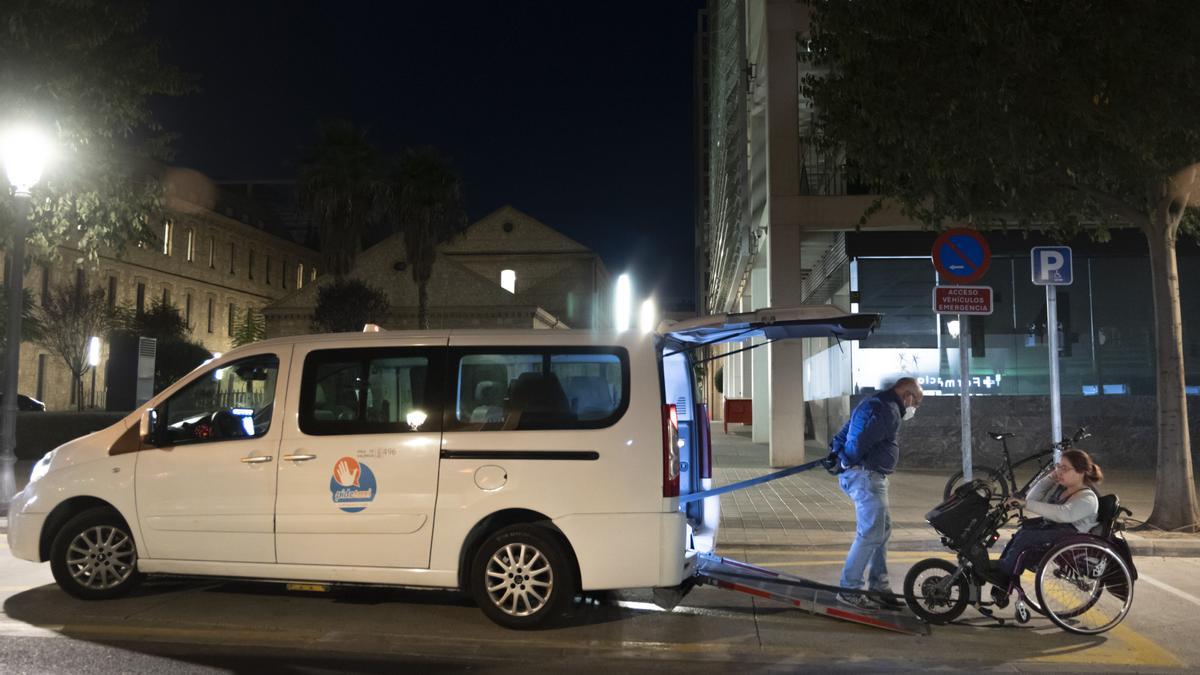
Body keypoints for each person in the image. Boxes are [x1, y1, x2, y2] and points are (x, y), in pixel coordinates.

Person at [829, 377, 923, 610]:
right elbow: (860, 440)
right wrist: (846, 460)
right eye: (916, 402)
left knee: (881, 529)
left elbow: (845, 430)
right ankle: (849, 589)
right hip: (867, 477)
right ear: (907, 395)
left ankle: (878, 586)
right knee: (871, 533)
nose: (914, 408)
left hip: (867, 476)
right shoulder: (888, 410)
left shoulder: (872, 402)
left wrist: (836, 453)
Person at [992, 449, 1103, 586]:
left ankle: (1004, 571)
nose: (1059, 471)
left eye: (1065, 468)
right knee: (1023, 530)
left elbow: (1063, 514)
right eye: (1058, 467)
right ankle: (1005, 570)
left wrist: (1026, 504)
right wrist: (1049, 478)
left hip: (1071, 536)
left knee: (1027, 537)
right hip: (1057, 530)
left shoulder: (1088, 498)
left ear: (1081, 472)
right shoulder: (1062, 489)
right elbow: (1032, 498)